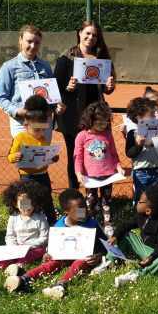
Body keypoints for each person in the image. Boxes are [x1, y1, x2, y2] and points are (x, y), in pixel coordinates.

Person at [4, 188, 107, 300]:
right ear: (66, 212)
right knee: (52, 263)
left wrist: (98, 256)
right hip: (63, 257)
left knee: (80, 262)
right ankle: (24, 279)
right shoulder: (59, 227)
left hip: (83, 258)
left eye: (85, 208)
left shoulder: (92, 224)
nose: (84, 212)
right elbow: (52, 248)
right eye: (79, 210)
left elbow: (105, 247)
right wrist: (48, 254)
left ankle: (60, 285)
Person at [54, 21, 116, 189]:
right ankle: (74, 194)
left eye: (94, 35)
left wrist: (109, 87)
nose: (91, 37)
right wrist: (68, 88)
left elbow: (106, 89)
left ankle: (94, 196)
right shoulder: (65, 59)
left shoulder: (101, 59)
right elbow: (55, 88)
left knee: (97, 154)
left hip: (96, 116)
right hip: (72, 116)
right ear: (79, 33)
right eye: (87, 33)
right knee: (75, 156)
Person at [0, 24, 63, 138]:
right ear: (20, 40)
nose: (33, 45)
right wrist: (17, 111)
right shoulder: (9, 67)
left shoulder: (45, 66)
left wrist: (57, 107)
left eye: (37, 42)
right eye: (29, 41)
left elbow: (52, 95)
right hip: (22, 123)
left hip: (44, 121)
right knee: (24, 155)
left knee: (42, 154)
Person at [0, 180, 50, 275]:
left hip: (34, 248)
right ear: (15, 204)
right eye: (22, 203)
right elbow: (10, 236)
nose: (26, 207)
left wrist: (28, 246)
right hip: (16, 247)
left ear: (35, 202)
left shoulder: (40, 218)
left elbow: (45, 237)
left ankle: (17, 267)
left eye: (29, 203)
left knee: (28, 256)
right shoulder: (13, 218)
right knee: (4, 255)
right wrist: (13, 247)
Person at [6, 95, 59, 223]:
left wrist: (53, 158)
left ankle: (52, 224)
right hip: (27, 177)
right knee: (28, 202)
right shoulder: (20, 138)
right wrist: (15, 157)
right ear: (26, 125)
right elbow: (10, 156)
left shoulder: (42, 139)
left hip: (43, 175)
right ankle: (27, 224)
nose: (40, 132)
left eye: (43, 129)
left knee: (47, 200)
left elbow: (46, 157)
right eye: (36, 129)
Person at [74, 101, 124, 232]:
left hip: (108, 176)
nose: (103, 125)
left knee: (107, 201)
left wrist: (118, 167)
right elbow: (77, 157)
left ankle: (108, 223)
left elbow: (113, 154)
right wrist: (79, 173)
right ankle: (85, 222)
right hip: (90, 178)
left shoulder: (107, 134)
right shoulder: (82, 136)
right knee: (90, 201)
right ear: (90, 120)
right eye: (99, 122)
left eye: (106, 122)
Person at [113, 185, 158, 287]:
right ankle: (109, 261)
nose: (137, 202)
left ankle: (136, 275)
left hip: (155, 253)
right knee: (125, 235)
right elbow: (126, 225)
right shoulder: (141, 216)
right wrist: (115, 236)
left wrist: (151, 257)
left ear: (148, 210)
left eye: (140, 201)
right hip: (142, 246)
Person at [125, 97, 158, 205]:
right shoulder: (133, 133)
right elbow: (129, 153)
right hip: (141, 172)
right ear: (139, 117)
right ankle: (140, 217)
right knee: (141, 198)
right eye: (151, 115)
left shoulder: (157, 131)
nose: (154, 117)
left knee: (155, 199)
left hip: (156, 170)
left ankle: (154, 216)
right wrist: (138, 146)